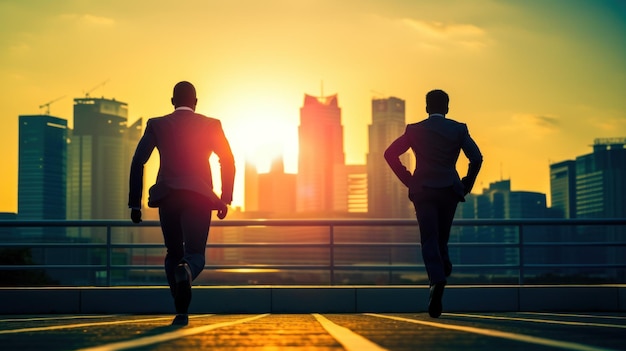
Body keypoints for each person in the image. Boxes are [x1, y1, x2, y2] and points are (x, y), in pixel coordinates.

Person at [128, 81, 235, 326]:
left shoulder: (157, 124)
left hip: (168, 197)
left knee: (173, 253)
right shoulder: (211, 124)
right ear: (195, 103)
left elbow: (138, 161)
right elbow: (227, 160)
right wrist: (225, 198)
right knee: (195, 253)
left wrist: (135, 204)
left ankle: (181, 309)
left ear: (172, 101)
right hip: (199, 197)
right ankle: (186, 272)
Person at [384, 89, 482, 318]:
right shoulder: (458, 129)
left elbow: (390, 154)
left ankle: (437, 279)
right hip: (449, 189)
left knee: (429, 237)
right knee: (442, 237)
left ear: (427, 108)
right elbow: (476, 158)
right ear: (447, 108)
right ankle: (443, 269)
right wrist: (466, 184)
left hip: (424, 190)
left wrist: (409, 179)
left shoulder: (415, 130)